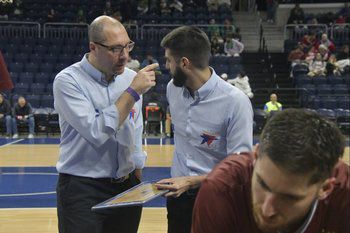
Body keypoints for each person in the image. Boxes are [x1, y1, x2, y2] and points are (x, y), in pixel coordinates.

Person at [53, 16, 158, 233]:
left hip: (126, 186)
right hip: (83, 188)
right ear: (93, 47)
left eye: (128, 46)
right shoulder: (68, 81)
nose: (125, 56)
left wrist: (137, 168)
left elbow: (135, 126)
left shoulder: (130, 77)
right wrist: (131, 93)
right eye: (115, 49)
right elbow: (96, 132)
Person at [155, 26, 253, 233]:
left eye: (169, 61)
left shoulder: (235, 102)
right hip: (178, 198)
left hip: (218, 198)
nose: (166, 66)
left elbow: (240, 169)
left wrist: (191, 182)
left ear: (184, 63)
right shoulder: (172, 89)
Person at [192, 109, 349, 233]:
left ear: (325, 188)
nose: (267, 211)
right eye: (262, 184)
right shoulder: (222, 188)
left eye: (289, 198)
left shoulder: (345, 195)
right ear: (255, 155)